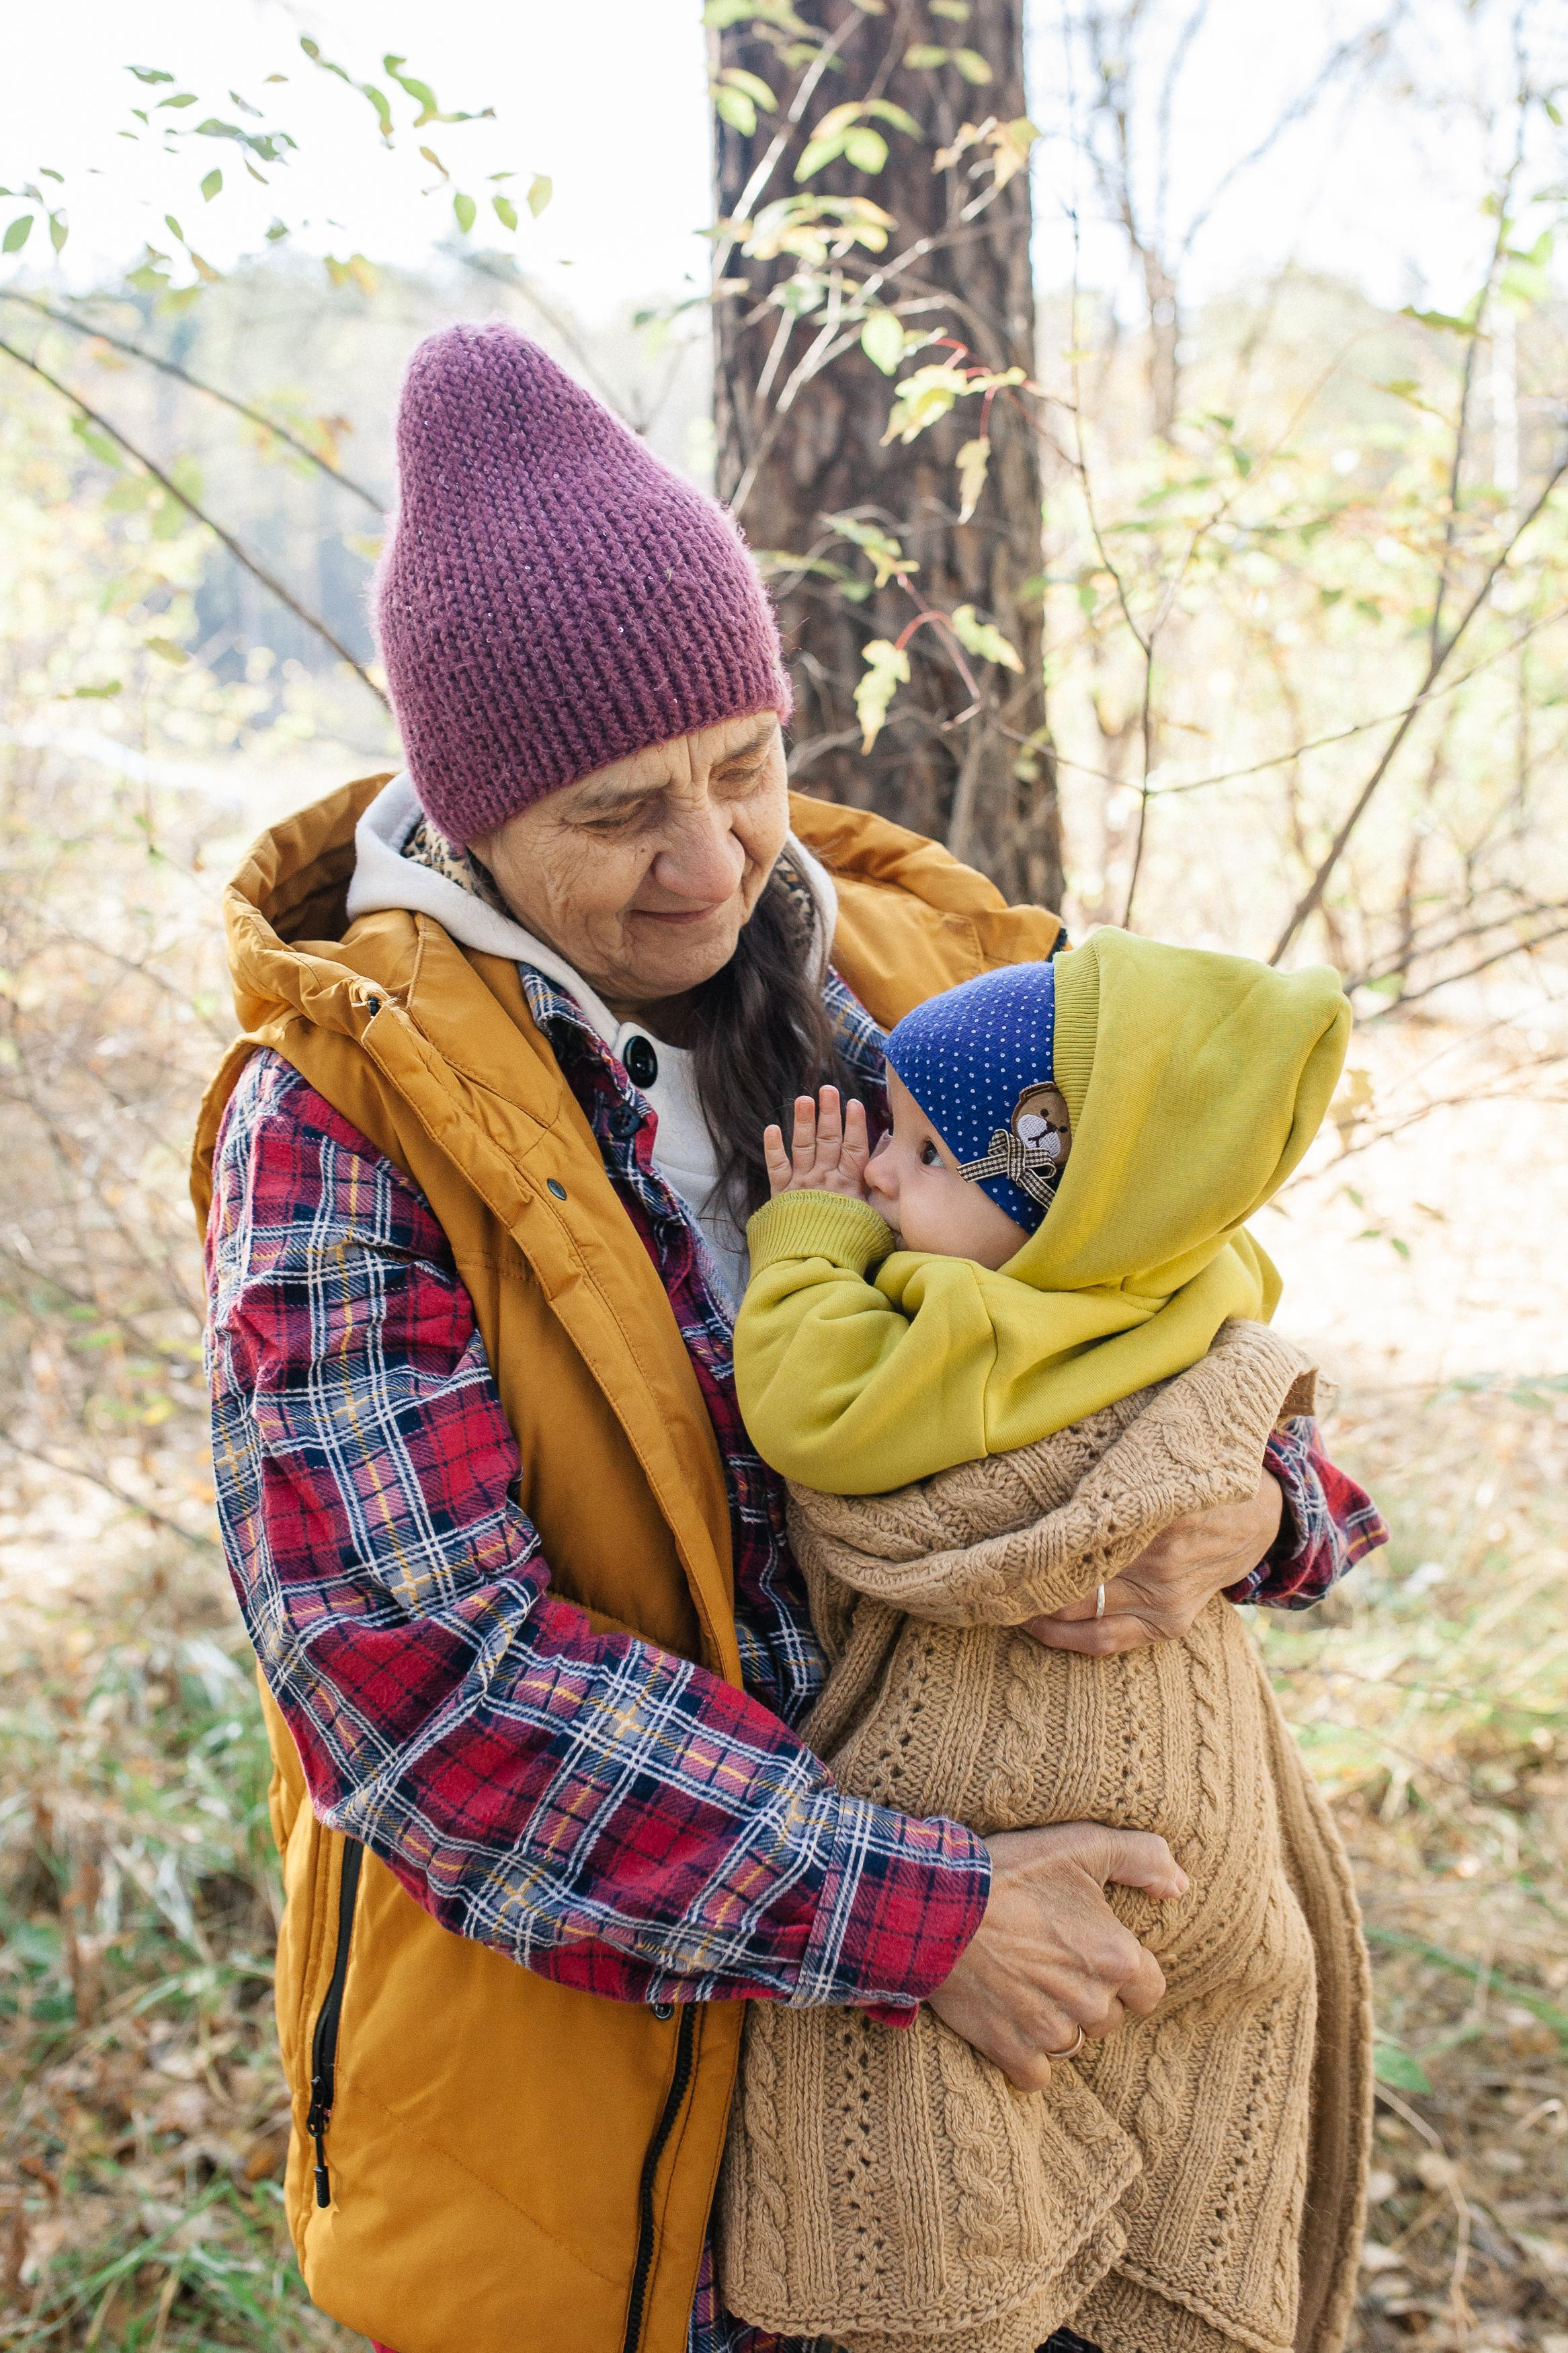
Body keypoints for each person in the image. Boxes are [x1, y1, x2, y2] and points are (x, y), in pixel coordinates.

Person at [194, 321, 1387, 2353]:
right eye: (614, 811)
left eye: (742, 767)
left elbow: (1164, 1319)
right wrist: (918, 1911)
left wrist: (1253, 1511)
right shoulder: (347, 1117)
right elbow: (412, 1666)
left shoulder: (941, 980)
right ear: (467, 816)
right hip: (618, 2129)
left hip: (1056, 2067)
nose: (713, 861)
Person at [719, 946, 1384, 2353]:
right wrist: (1258, 1493)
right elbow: (1294, 1471)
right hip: (1170, 1853)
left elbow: (816, 1405)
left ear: (1052, 1207)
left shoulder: (972, 1331)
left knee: (964, 2169)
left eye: (920, 1155)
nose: (884, 1177)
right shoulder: (1191, 1283)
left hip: (1026, 1816)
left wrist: (809, 1243)